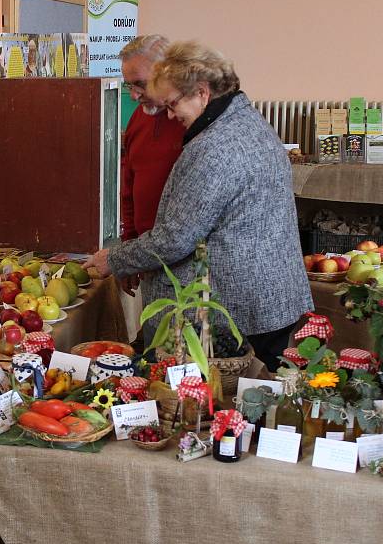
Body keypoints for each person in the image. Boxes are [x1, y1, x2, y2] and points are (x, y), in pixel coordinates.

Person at [84, 40, 313, 370]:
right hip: (269, 296)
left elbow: (175, 238)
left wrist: (116, 258)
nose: (170, 113)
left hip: (241, 305)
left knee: (233, 400)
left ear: (202, 93)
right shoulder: (246, 120)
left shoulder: (213, 148)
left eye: (173, 103)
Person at [118, 36, 186, 346]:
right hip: (148, 256)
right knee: (158, 343)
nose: (133, 95)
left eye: (140, 84)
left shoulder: (192, 123)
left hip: (187, 263)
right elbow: (128, 188)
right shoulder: (137, 120)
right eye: (128, 85)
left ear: (166, 72)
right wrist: (129, 248)